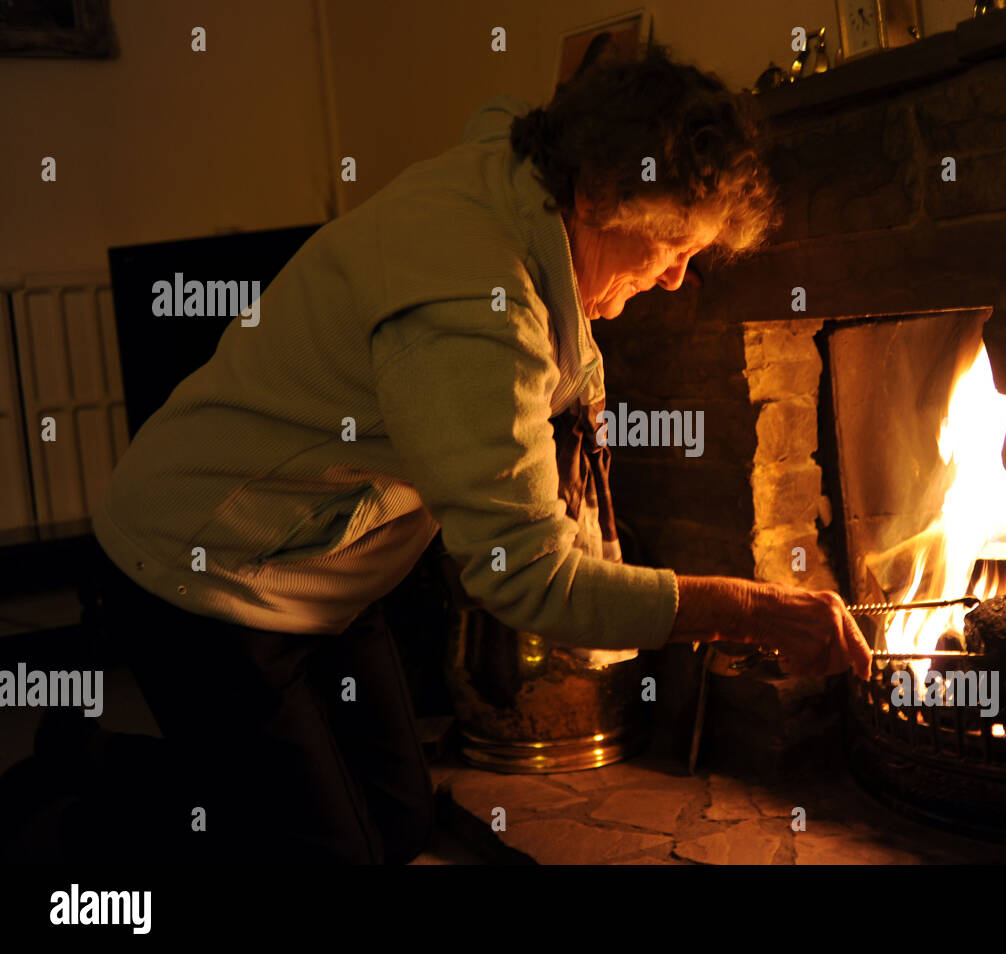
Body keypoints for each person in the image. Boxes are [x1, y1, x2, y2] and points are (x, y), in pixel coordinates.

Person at [87, 43, 872, 864]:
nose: (678, 276)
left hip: (323, 566)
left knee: (399, 826)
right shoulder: (475, 310)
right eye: (675, 245)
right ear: (598, 197)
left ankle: (200, 782)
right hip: (204, 569)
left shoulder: (523, 160)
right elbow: (533, 581)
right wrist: (752, 611)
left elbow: (499, 112)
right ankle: (89, 789)